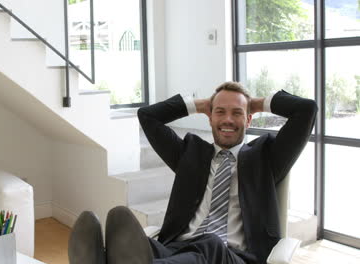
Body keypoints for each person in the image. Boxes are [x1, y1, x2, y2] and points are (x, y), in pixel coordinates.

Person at [68, 82, 318, 264]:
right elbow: (148, 116)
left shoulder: (267, 157)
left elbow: (306, 110)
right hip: (177, 249)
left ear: (249, 120)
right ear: (209, 117)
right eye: (220, 111)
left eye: (237, 113)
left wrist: (257, 102)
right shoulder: (190, 154)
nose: (228, 119)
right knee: (148, 249)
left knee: (210, 243)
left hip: (233, 256)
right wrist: (199, 105)